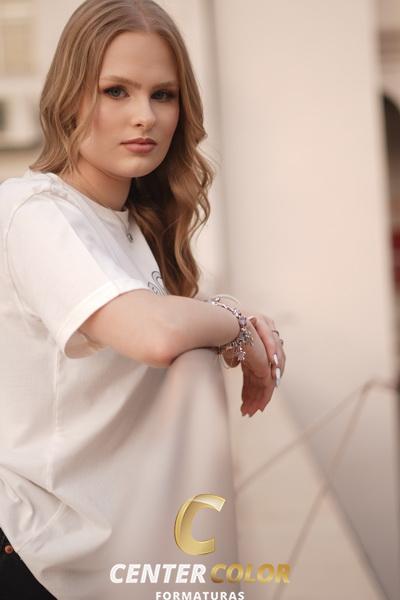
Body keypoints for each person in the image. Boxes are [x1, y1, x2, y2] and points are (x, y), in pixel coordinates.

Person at [0, 0, 286, 598]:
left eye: (163, 95)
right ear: (69, 98)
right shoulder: (31, 212)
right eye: (115, 91)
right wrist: (236, 321)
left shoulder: (136, 228)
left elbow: (169, 322)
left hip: (113, 548)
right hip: (35, 552)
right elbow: (153, 334)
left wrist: (227, 315)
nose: (145, 117)